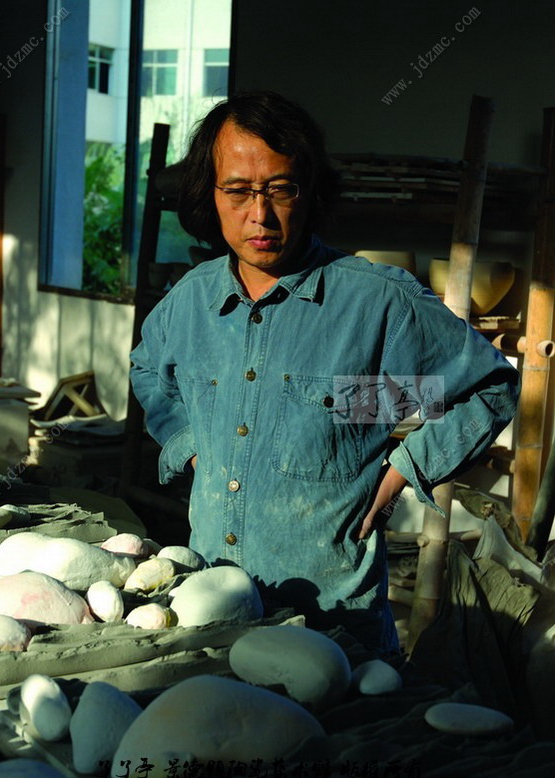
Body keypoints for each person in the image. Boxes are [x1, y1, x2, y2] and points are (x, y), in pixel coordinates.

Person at [130, 90, 520, 655]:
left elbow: (488, 387)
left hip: (335, 627)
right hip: (215, 614)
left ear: (309, 190)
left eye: (280, 189)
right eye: (237, 191)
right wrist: (191, 444)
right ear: (209, 195)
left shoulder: (378, 301)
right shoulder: (189, 301)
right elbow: (147, 369)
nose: (260, 215)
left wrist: (403, 470)